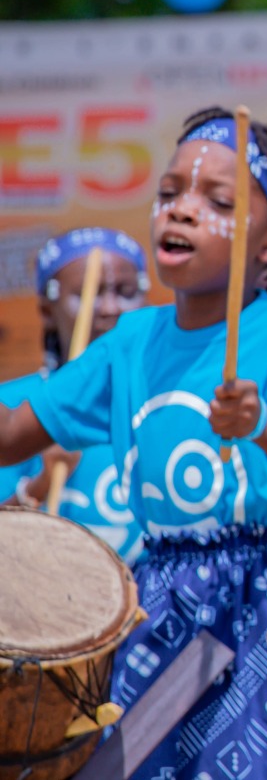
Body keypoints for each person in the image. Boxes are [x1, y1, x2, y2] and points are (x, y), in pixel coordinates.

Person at [0, 107, 267, 780]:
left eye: (219, 202)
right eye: (170, 192)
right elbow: (11, 437)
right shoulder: (130, 343)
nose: (180, 210)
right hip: (162, 604)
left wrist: (266, 428)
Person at [1, 228, 149, 562]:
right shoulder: (13, 409)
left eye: (125, 292)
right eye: (87, 294)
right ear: (46, 311)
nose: (109, 308)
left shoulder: (167, 403)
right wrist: (38, 486)